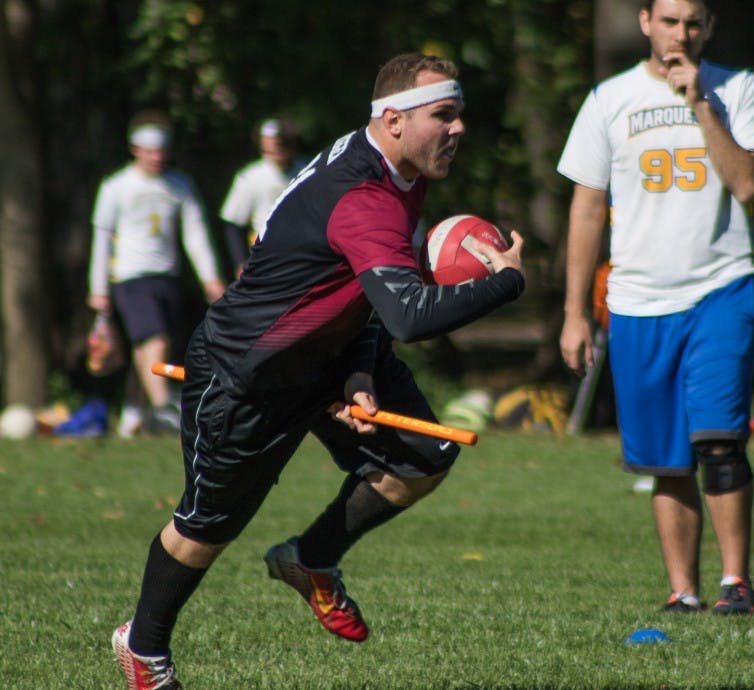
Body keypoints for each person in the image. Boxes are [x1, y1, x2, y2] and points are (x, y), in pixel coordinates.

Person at [112, 53, 525, 690]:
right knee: (207, 528)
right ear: (393, 120)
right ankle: (143, 645)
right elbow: (411, 314)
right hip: (250, 372)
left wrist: (358, 364)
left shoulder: (401, 169)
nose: (459, 128)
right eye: (444, 114)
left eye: (459, 114)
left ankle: (311, 558)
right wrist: (506, 283)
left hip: (330, 350)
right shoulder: (363, 196)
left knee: (424, 455)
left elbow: (360, 289)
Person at [557, 0, 754, 615]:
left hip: (721, 287)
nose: (683, 33)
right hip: (636, 300)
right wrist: (575, 311)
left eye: (695, 22)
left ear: (709, 27)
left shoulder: (739, 88)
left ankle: (736, 584)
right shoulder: (608, 99)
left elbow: (749, 184)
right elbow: (586, 208)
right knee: (665, 457)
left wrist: (702, 103)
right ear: (645, 21)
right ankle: (683, 592)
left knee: (718, 441)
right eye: (671, 20)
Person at [88, 111, 226, 437]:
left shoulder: (179, 186)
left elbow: (195, 234)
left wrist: (211, 277)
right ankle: (165, 410)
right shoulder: (116, 187)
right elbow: (102, 239)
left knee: (143, 349)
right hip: (130, 277)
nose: (156, 157)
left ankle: (132, 417)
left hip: (166, 276)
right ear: (135, 149)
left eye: (161, 150)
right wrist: (98, 289)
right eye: (149, 151)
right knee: (155, 339)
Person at [219, 117, 307, 277]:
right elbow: (233, 223)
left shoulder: (308, 170)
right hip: (265, 261)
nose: (279, 149)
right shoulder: (251, 176)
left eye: (284, 144)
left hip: (302, 260)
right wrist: (240, 262)